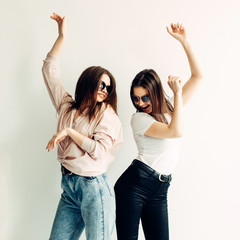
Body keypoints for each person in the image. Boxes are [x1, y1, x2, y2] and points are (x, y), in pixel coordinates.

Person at [114, 23, 203, 240]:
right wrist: (178, 93)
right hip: (134, 186)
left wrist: (185, 42)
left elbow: (199, 76)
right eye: (136, 98)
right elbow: (176, 131)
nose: (140, 102)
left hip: (160, 189)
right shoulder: (139, 119)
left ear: (155, 92)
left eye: (145, 97)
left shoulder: (173, 107)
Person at [42, 13, 123, 240]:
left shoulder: (106, 113)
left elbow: (98, 150)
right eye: (101, 83)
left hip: (94, 189)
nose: (105, 89)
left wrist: (68, 131)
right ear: (88, 81)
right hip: (69, 188)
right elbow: (50, 72)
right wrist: (61, 36)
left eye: (108, 87)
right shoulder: (67, 106)